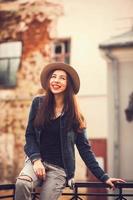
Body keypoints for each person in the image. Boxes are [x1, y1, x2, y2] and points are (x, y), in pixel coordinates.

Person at [15, 62, 125, 200]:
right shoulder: (38, 103)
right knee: (21, 184)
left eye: (62, 78)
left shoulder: (75, 116)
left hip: (59, 170)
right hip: (35, 163)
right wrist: (36, 160)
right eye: (53, 76)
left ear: (68, 84)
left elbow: (85, 149)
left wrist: (104, 177)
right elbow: (30, 135)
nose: (56, 80)